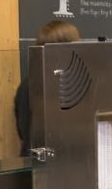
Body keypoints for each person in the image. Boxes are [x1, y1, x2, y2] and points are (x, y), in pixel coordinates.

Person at [15, 20, 80, 156]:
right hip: (60, 160)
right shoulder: (73, 85)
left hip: (33, 159)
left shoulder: (28, 83)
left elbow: (22, 130)